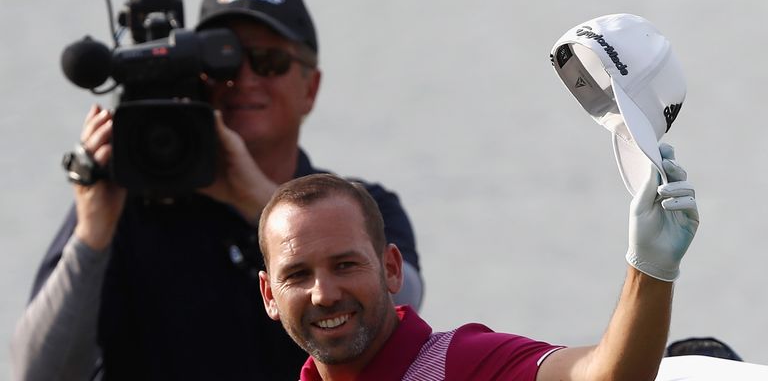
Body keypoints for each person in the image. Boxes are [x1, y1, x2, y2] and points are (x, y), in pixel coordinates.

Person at [11, 0, 423, 381]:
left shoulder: (358, 205)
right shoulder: (124, 203)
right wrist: (93, 231)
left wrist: (259, 203)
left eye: (270, 62)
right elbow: (39, 373)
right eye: (220, 64)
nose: (244, 80)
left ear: (310, 89)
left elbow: (401, 307)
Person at [257, 148, 699, 380]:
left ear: (391, 268)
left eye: (345, 264)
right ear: (269, 295)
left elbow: (605, 376)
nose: (324, 292)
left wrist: (651, 269)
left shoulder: (462, 364)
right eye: (297, 274)